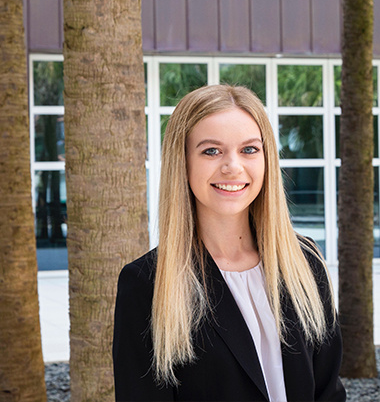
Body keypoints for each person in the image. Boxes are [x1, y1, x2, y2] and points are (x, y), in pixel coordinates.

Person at [113, 84, 346, 402]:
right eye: (211, 151)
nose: (232, 166)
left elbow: (329, 392)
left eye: (249, 149)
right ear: (182, 162)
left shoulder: (304, 262)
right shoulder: (146, 283)